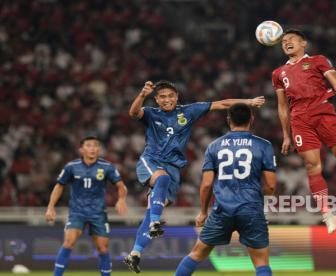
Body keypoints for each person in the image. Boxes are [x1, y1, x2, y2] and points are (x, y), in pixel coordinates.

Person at [124, 81, 265, 273]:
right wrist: (142, 95)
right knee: (161, 180)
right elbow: (133, 113)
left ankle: (135, 254)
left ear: (177, 96)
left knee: (151, 211)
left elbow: (222, 104)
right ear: (156, 100)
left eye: (170, 96)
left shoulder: (188, 112)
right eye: (162, 97)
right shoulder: (150, 113)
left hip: (174, 168)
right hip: (152, 161)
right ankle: (156, 222)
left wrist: (248, 101)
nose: (167, 100)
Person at [271, 28, 336, 233]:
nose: (287, 42)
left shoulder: (318, 60)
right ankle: (327, 213)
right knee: (311, 166)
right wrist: (286, 134)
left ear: (303, 43)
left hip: (323, 113)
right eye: (283, 41)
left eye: (291, 39)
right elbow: (282, 106)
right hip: (299, 119)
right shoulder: (278, 73)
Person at [174, 103, 276, 276]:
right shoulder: (263, 145)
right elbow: (271, 185)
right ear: (251, 119)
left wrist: (203, 212)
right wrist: (257, 195)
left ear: (229, 120)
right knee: (261, 262)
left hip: (222, 209)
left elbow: (206, 184)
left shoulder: (214, 146)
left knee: (197, 253)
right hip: (251, 209)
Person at [45, 136, 128, 276]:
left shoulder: (107, 167)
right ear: (81, 149)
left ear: (99, 149)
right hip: (77, 212)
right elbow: (59, 186)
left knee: (102, 248)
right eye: (89, 145)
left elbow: (121, 186)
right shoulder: (71, 167)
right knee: (69, 242)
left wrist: (121, 199)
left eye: (95, 145)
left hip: (98, 213)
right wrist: (50, 207)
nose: (92, 148)